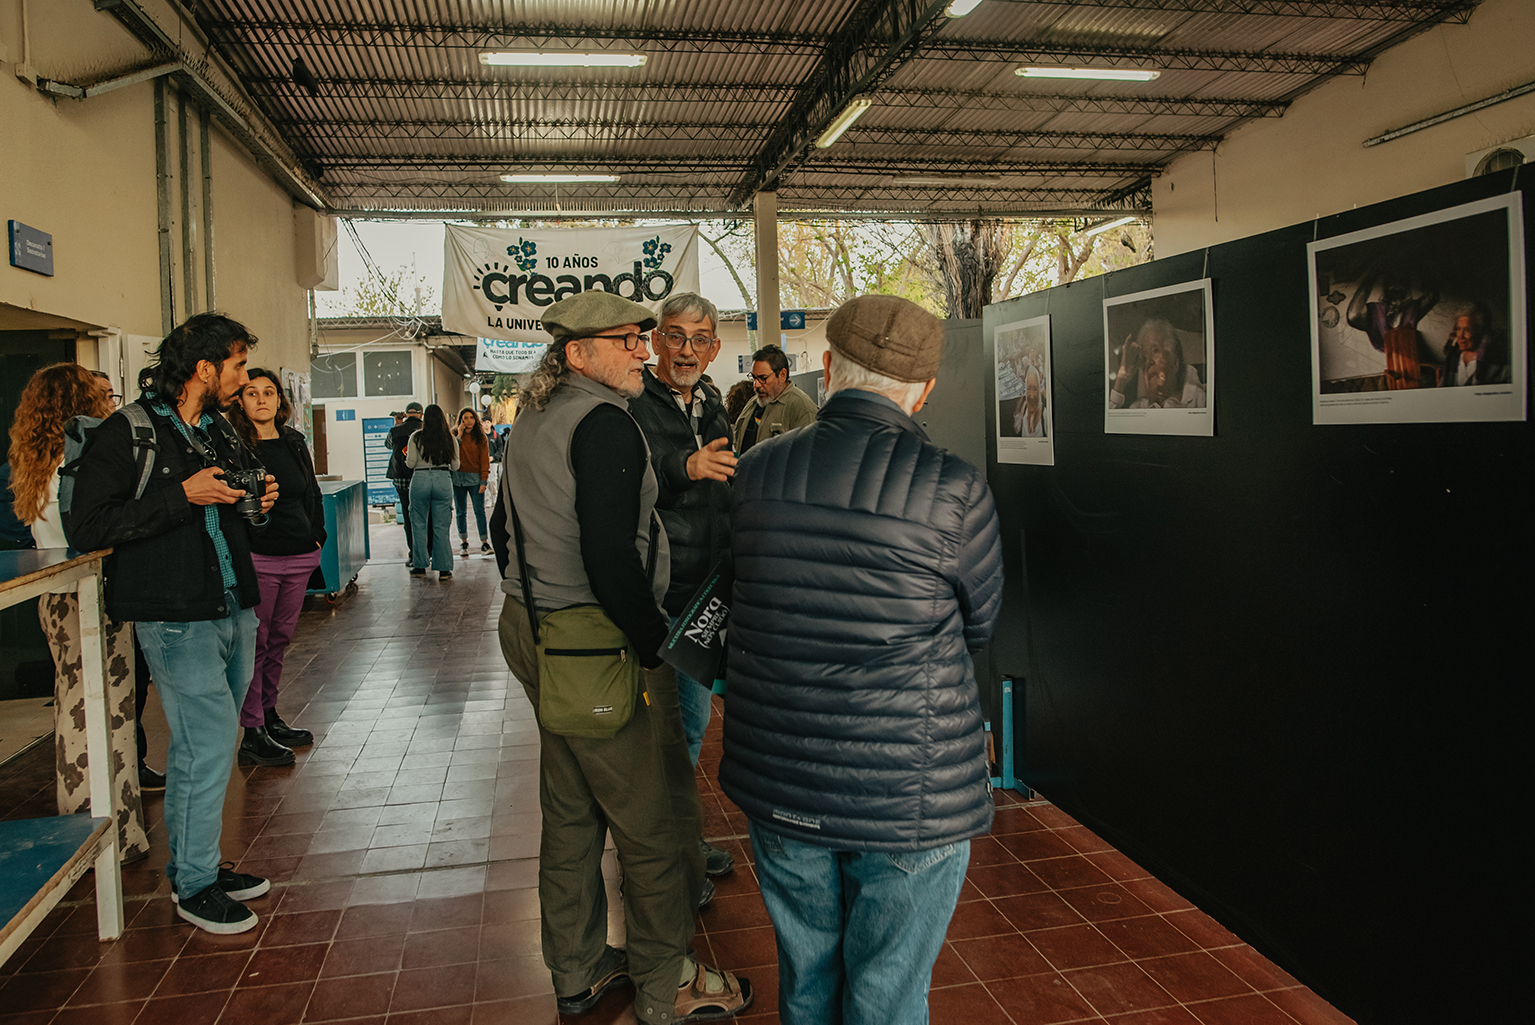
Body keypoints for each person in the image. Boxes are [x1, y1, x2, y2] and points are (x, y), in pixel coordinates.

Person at [721, 295, 1003, 1025]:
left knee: (807, 979)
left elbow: (736, 601)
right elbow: (981, 623)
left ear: (824, 368)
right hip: (908, 789)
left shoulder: (753, 473)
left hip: (782, 771)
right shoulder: (954, 488)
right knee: (886, 993)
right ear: (925, 390)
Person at [489, 290, 751, 1024]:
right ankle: (669, 984)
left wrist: (535, 600)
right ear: (577, 354)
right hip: (594, 641)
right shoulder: (604, 422)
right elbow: (609, 556)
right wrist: (649, 646)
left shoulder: (538, 414)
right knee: (653, 818)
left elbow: (500, 527)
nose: (646, 351)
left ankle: (576, 969)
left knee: (571, 810)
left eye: (643, 338)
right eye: (630, 340)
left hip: (536, 627)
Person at [66, 312, 279, 934]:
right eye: (238, 365)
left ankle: (200, 865)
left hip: (233, 605)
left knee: (209, 745)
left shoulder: (217, 430)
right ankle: (193, 884)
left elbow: (236, 509)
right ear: (205, 368)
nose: (244, 378)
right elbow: (89, 527)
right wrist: (181, 497)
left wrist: (256, 503)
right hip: (175, 617)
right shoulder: (126, 432)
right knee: (206, 745)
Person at [8, 362, 149, 862]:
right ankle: (115, 832)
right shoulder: (86, 460)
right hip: (95, 594)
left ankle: (81, 819)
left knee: (74, 706)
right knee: (110, 713)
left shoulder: (32, 462)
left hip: (55, 598)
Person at [626, 292, 737, 878]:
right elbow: (625, 486)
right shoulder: (633, 401)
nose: (687, 350)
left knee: (688, 735)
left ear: (715, 348)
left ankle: (680, 848)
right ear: (656, 341)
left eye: (699, 339)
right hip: (668, 596)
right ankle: (665, 868)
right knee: (678, 736)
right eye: (675, 336)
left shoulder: (713, 403)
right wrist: (682, 468)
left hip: (711, 594)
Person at [226, 368, 326, 767]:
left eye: (269, 392)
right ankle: (252, 731)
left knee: (280, 640)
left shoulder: (293, 441)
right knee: (255, 642)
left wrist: (316, 536)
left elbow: (310, 491)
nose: (262, 399)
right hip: (259, 557)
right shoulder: (234, 446)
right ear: (240, 401)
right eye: (252, 393)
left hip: (299, 553)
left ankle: (269, 715)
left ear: (280, 401)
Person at [730, 345, 817, 454]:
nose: (756, 384)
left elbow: (810, 458)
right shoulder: (752, 404)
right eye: (754, 378)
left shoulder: (802, 408)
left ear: (782, 375)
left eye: (762, 378)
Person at [1109, 316, 1206, 409]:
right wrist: (1121, 380)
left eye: (1155, 351)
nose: (1148, 362)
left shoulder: (1200, 400)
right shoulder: (1138, 407)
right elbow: (1110, 423)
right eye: (1144, 357)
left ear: (1176, 362)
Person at [407, 404, 458, 579]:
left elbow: (410, 463)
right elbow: (456, 465)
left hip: (420, 479)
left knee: (419, 524)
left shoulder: (415, 437)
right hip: (443, 479)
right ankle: (444, 569)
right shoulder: (449, 439)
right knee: (441, 526)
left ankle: (420, 566)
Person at [451, 406, 492, 555]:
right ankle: (463, 542)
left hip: (475, 478)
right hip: (458, 478)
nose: (468, 421)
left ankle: (484, 543)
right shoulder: (454, 434)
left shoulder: (481, 437)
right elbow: (451, 451)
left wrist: (484, 480)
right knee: (460, 512)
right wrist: (460, 434)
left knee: (479, 511)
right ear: (461, 420)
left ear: (475, 419)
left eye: (471, 418)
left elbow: (484, 461)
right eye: (465, 418)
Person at [1439, 303, 1510, 386]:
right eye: (1458, 329)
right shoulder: (1453, 356)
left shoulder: (1494, 361)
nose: (1461, 336)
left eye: (1468, 330)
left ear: (1481, 332)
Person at [387, 401, 423, 559]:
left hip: (401, 478)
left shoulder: (396, 430)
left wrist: (398, 424)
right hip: (421, 476)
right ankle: (426, 550)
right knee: (424, 515)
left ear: (406, 414)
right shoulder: (426, 429)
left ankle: (413, 552)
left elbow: (388, 445)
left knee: (408, 517)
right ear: (421, 414)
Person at [1013, 366, 1047, 437]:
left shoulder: (1045, 413)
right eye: (1028, 388)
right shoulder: (1025, 406)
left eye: (1035, 389)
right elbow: (1017, 429)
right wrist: (1018, 406)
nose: (1031, 396)